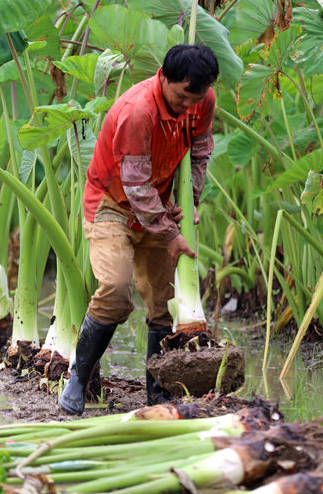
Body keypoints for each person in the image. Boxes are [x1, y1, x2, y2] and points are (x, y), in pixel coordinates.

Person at [59, 44, 219, 415]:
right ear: (162, 76)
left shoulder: (202, 100)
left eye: (195, 99)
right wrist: (171, 234)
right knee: (115, 290)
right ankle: (78, 380)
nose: (188, 107)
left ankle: (158, 393)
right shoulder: (137, 111)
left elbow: (199, 153)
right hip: (113, 205)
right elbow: (135, 187)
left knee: (161, 303)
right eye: (181, 97)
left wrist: (190, 201)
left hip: (159, 206)